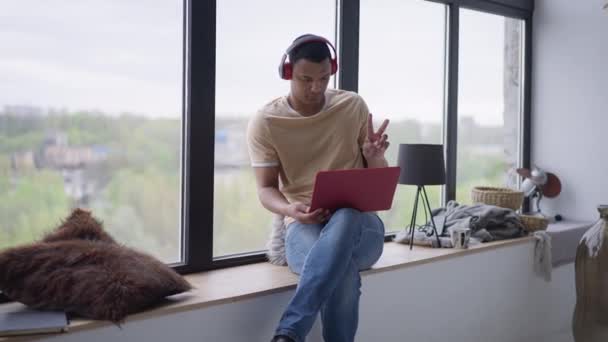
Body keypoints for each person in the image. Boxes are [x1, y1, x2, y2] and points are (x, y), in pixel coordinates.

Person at [246, 33, 391, 342]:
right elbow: (266, 189)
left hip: (362, 231)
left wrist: (374, 157)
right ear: (288, 73)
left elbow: (377, 181)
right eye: (305, 79)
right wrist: (289, 210)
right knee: (342, 275)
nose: (316, 87)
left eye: (324, 78)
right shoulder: (267, 121)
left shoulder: (351, 106)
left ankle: (289, 332)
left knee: (348, 215)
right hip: (303, 229)